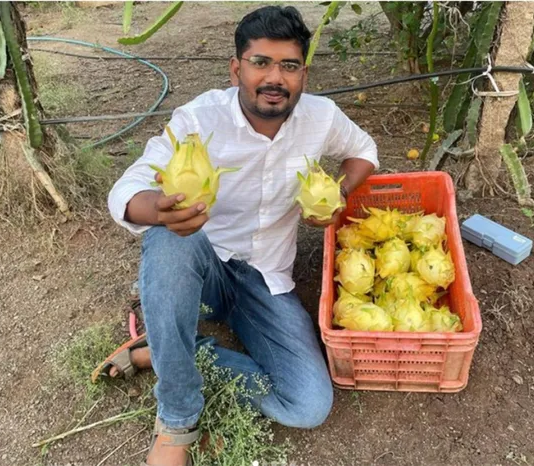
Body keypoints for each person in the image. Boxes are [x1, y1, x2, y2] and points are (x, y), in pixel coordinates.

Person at [99, 5, 379, 466]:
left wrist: (337, 194)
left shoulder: (321, 117)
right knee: (168, 237)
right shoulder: (199, 119)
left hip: (266, 277)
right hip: (204, 268)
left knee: (308, 405)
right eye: (260, 63)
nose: (275, 78)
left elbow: (363, 151)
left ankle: (168, 352)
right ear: (236, 69)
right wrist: (160, 210)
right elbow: (128, 188)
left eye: (289, 66)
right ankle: (177, 420)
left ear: (303, 74)